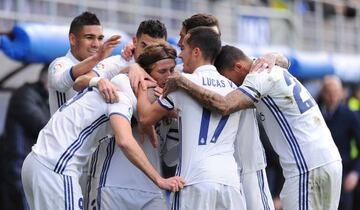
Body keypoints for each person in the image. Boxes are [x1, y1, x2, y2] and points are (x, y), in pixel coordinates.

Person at [164, 45, 342, 210]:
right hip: (327, 160)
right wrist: (274, 55)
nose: (231, 87)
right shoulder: (269, 67)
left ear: (238, 67)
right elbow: (283, 61)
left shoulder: (256, 77)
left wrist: (183, 82)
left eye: (228, 79)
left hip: (307, 167)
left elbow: (225, 105)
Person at [21, 59, 185, 210]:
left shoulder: (116, 84)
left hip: (36, 161)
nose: (159, 100)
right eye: (159, 94)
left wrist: (133, 67)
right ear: (144, 83)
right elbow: (125, 141)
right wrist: (159, 179)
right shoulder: (120, 97)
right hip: (57, 168)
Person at [137, 27, 246, 210]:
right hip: (230, 182)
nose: (180, 55)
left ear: (196, 51)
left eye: (184, 48)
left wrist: (141, 83)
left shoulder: (181, 83)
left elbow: (145, 118)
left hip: (195, 180)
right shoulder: (234, 89)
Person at [80, 20, 175, 210]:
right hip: (112, 180)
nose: (149, 51)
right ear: (135, 41)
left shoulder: (171, 76)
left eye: (157, 47)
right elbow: (82, 80)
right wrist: (129, 68)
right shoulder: (119, 64)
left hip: (152, 185)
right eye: (144, 45)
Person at [48, 11, 121, 116]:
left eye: (100, 38)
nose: (96, 44)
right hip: (66, 132)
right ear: (72, 39)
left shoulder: (101, 65)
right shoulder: (60, 63)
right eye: (89, 37)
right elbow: (61, 83)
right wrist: (97, 59)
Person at [0, 66, 50, 210]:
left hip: (25, 167)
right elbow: (44, 126)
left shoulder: (38, 97)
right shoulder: (24, 95)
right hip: (16, 166)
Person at [319, 75, 360, 210]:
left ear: (341, 92)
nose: (333, 97)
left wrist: (355, 172)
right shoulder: (316, 113)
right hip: (320, 177)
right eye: (329, 93)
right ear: (323, 93)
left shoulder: (349, 115)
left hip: (343, 176)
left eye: (336, 93)